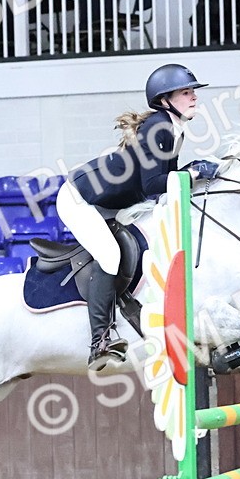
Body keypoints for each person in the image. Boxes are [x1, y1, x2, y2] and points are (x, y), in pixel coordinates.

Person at [58, 63, 220, 372]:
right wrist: (195, 172)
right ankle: (99, 342)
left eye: (193, 92)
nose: (194, 97)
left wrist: (192, 172)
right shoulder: (158, 128)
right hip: (80, 199)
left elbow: (166, 181)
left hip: (112, 204)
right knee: (109, 254)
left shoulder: (172, 129)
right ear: (164, 100)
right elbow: (153, 187)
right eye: (186, 92)